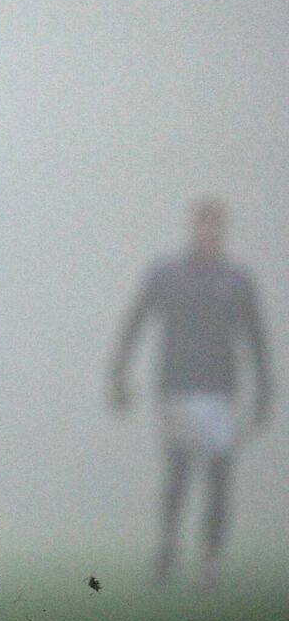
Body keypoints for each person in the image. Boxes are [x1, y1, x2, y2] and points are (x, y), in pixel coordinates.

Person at [109, 198, 273, 589]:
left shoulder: (235, 281)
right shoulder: (168, 275)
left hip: (221, 391)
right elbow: (136, 322)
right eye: (202, 226)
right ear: (193, 228)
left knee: (219, 475)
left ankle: (210, 560)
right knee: (178, 472)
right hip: (176, 389)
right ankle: (167, 551)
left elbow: (255, 337)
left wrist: (264, 388)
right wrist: (119, 374)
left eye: (214, 227)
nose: (207, 234)